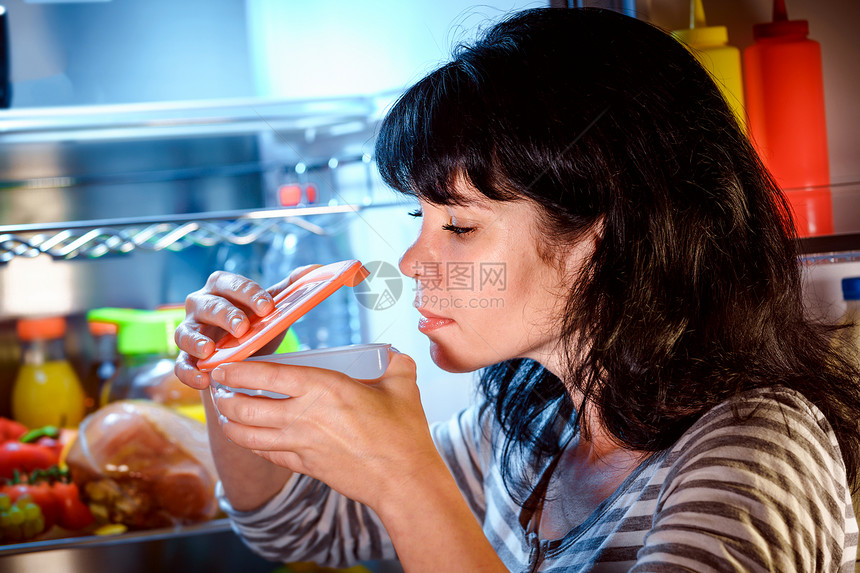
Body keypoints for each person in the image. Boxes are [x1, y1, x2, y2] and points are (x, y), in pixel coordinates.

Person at [174, 7, 860, 572]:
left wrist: (404, 476)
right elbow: (299, 529)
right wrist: (230, 370)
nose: (413, 261)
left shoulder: (757, 450)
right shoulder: (531, 430)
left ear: (602, 233)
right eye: (421, 218)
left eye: (460, 226)